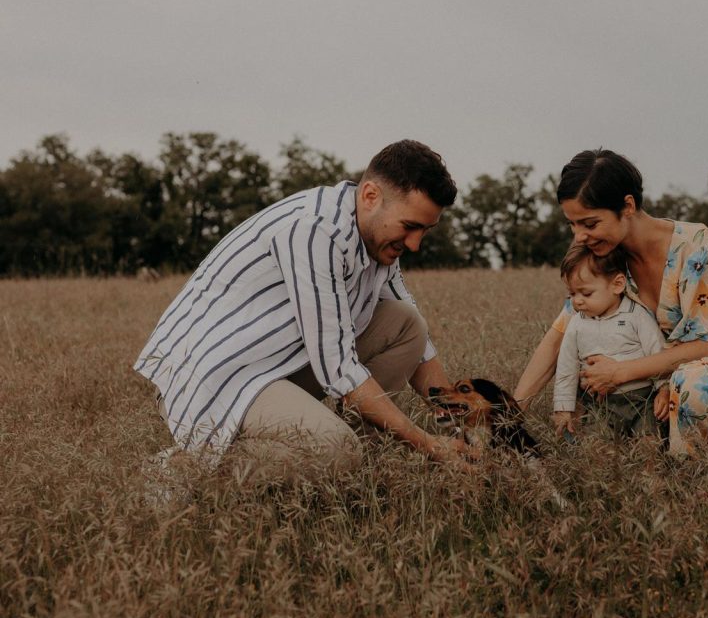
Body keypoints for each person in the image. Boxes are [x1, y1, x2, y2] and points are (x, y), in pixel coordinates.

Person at [135, 139, 474, 486]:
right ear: (371, 196)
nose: (415, 244)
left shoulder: (376, 238)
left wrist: (466, 430)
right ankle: (178, 472)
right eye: (410, 226)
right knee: (335, 451)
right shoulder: (315, 232)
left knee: (407, 325)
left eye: (425, 231)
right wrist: (430, 445)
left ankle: (363, 479)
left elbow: (421, 349)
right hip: (218, 373)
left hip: (272, 364)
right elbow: (339, 371)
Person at [514, 149, 708, 456]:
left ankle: (697, 475)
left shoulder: (696, 245)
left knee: (692, 386)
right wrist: (511, 415)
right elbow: (559, 337)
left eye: (590, 224)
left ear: (628, 206)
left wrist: (622, 373)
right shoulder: (603, 258)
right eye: (572, 224)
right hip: (655, 385)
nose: (579, 236)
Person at [552, 243, 666, 440]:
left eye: (586, 293)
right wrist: (563, 407)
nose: (577, 301)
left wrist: (664, 389)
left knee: (649, 444)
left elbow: (658, 353)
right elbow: (566, 367)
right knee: (596, 447)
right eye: (572, 294)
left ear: (617, 284)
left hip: (642, 400)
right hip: (599, 403)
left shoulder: (636, 315)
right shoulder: (577, 323)